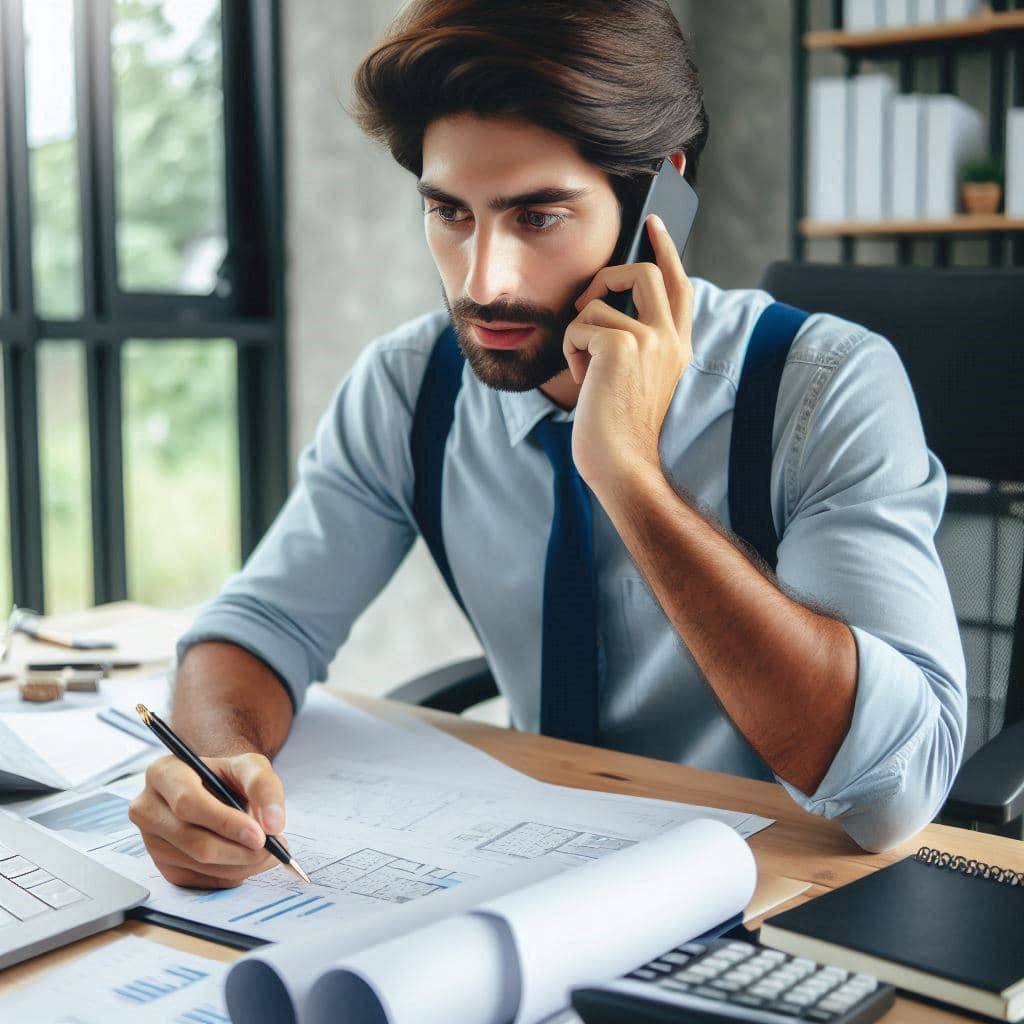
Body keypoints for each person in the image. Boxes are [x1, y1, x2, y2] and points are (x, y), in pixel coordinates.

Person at [128, 0, 966, 885]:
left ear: (658, 200)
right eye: (451, 213)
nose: (483, 281)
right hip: (534, 872)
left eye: (536, 217)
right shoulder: (408, 388)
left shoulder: (825, 387)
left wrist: (631, 477)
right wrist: (215, 765)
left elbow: (896, 796)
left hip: (784, 886)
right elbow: (263, 624)